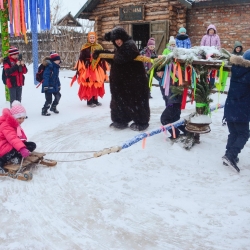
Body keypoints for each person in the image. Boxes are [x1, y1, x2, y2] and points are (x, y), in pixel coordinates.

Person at [93, 27, 150, 131]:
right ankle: (120, 120)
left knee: (136, 101)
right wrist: (101, 53)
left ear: (124, 38)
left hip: (134, 82)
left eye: (119, 39)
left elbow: (119, 59)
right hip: (122, 82)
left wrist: (109, 55)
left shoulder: (130, 46)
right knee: (119, 101)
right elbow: (115, 59)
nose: (118, 41)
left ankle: (141, 122)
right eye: (115, 40)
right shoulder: (120, 48)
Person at [222, 50, 250, 172]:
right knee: (243, 134)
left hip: (231, 106)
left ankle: (228, 155)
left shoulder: (236, 69)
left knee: (234, 133)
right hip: (241, 109)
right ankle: (231, 155)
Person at [0, 101, 36, 174]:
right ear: (13, 117)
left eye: (23, 118)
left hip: (10, 143)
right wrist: (22, 148)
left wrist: (23, 146)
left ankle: (15, 157)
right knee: (15, 149)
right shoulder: (6, 125)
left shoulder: (14, 123)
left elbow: (17, 138)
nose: (22, 120)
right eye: (19, 118)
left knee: (31, 145)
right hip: (2, 145)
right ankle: (1, 161)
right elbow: (13, 138)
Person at [75, 32, 108, 107]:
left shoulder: (99, 47)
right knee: (89, 83)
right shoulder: (85, 47)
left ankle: (95, 100)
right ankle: (89, 101)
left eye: (93, 38)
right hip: (88, 68)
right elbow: (81, 58)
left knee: (96, 83)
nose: (92, 39)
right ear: (88, 38)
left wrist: (103, 66)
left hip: (96, 68)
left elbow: (102, 57)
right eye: (90, 38)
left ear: (95, 38)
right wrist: (80, 68)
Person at [41, 52, 62, 116]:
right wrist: (45, 85)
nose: (59, 61)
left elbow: (56, 77)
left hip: (54, 85)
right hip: (48, 86)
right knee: (49, 100)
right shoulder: (49, 67)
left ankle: (53, 107)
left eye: (59, 60)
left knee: (58, 96)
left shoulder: (56, 67)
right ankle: (44, 110)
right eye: (57, 60)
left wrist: (58, 84)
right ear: (54, 61)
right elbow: (46, 77)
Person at [200, 24, 221, 89]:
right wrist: (202, 53)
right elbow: (202, 45)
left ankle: (211, 84)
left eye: (212, 30)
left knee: (212, 70)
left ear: (214, 31)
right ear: (208, 30)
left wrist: (216, 53)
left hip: (213, 56)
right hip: (206, 55)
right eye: (210, 30)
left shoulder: (216, 37)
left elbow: (218, 45)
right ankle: (205, 83)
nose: (211, 31)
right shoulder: (205, 37)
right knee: (205, 69)